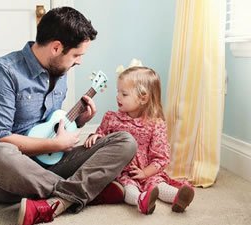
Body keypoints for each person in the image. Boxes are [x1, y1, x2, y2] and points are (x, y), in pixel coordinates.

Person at [0, 6, 137, 225]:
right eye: (77, 55)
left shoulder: (60, 72)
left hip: (53, 164)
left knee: (125, 141)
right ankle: (86, 192)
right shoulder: (4, 72)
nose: (79, 61)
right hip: (12, 172)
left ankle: (59, 200)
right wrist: (56, 146)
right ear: (56, 48)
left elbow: (51, 125)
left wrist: (80, 120)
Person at [84, 66, 195, 215]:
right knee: (129, 188)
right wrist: (95, 137)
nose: (118, 97)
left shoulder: (156, 124)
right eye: (118, 92)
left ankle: (178, 197)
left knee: (158, 184)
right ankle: (141, 200)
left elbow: (161, 157)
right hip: (122, 171)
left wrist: (145, 173)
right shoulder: (111, 118)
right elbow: (101, 135)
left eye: (124, 94)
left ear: (143, 98)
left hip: (148, 171)